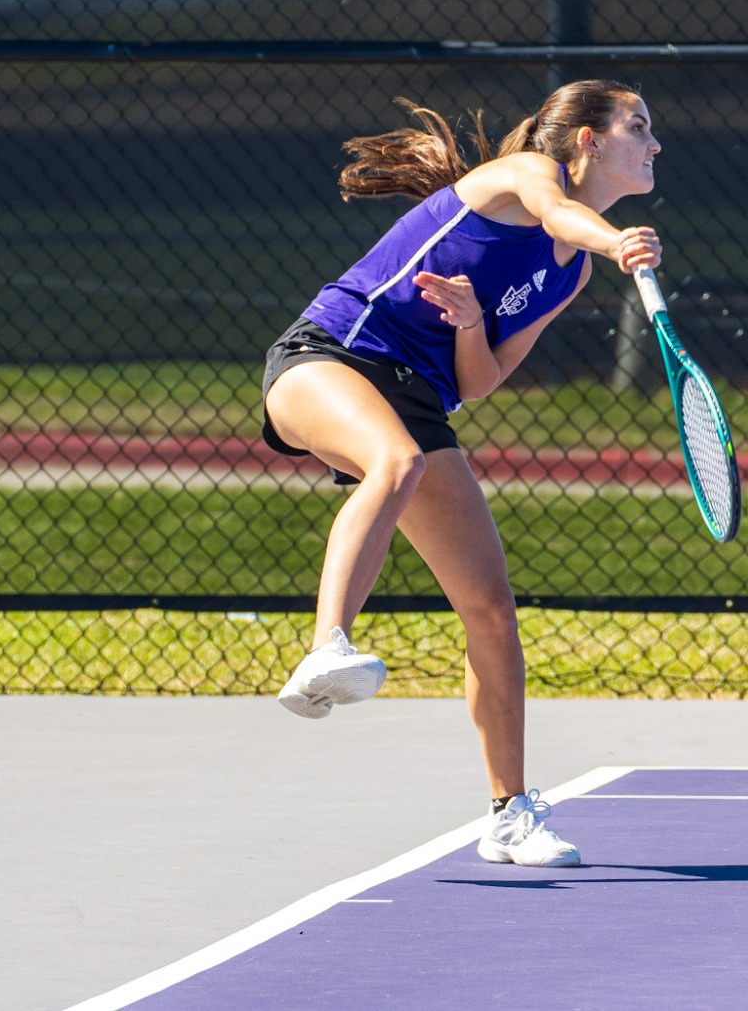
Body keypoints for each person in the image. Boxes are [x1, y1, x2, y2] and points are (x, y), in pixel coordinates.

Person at [259, 79, 662, 867]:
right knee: (395, 460)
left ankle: (509, 813)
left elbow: (479, 382)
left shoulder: (568, 272)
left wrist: (474, 323)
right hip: (328, 358)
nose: (654, 143)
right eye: (638, 126)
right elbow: (557, 213)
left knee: (491, 608)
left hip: (418, 398)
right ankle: (326, 646)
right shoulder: (519, 181)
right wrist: (616, 244)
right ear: (586, 140)